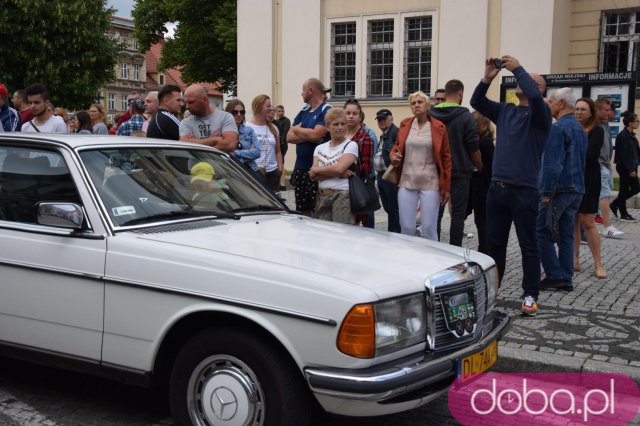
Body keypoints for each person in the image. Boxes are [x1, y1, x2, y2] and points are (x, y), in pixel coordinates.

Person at [470, 55, 552, 317]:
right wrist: (487, 78)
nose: (518, 82)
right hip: (497, 189)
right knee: (495, 246)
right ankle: (492, 292)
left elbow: (536, 98)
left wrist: (517, 68)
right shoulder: (506, 111)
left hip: (525, 191)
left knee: (529, 245)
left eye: (528, 81)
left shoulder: (540, 114)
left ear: (536, 87)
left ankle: (530, 295)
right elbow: (476, 102)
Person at [536, 89, 587, 294]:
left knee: (542, 230)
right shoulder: (580, 128)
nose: (551, 105)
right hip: (576, 188)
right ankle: (566, 278)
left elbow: (552, 164)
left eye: (553, 101)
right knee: (566, 234)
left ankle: (555, 275)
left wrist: (546, 192)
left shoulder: (558, 129)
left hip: (560, 190)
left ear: (562, 103)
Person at [389, 91, 451, 240]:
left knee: (429, 227)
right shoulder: (405, 124)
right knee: (407, 227)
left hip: (430, 182)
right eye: (413, 103)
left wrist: (447, 188)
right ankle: (408, 259)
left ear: (428, 105)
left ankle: (432, 261)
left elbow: (446, 157)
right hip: (406, 181)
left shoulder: (439, 127)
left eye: (420, 102)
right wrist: (393, 156)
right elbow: (396, 147)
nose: (416, 105)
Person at [429, 79, 482, 246]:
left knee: (435, 213)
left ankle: (434, 246)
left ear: (445, 94)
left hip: (435, 171)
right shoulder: (466, 116)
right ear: (460, 94)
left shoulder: (430, 115)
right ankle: (455, 249)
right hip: (460, 171)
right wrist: (480, 166)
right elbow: (473, 147)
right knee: (458, 214)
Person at [572, 98, 607, 279]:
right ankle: (574, 259)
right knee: (573, 221)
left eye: (583, 110)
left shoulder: (597, 131)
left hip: (588, 179)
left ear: (591, 112)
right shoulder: (571, 128)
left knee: (588, 222)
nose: (579, 112)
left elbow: (589, 155)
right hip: (571, 178)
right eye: (577, 109)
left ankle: (598, 263)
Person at [287, 78, 332, 216]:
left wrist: (298, 129)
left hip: (317, 168)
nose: (301, 93)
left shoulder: (326, 110)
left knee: (317, 208)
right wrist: (308, 133)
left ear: (310, 90)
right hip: (300, 168)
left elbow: (316, 136)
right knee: (302, 208)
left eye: (303, 90)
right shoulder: (304, 110)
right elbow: (289, 136)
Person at [310, 108, 358, 224]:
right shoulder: (319, 148)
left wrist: (317, 170)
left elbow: (339, 168)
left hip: (342, 195)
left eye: (343, 124)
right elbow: (312, 176)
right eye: (336, 124)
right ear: (327, 127)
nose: (340, 127)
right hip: (322, 195)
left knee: (341, 234)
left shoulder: (351, 145)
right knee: (324, 234)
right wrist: (337, 173)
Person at [594, 98, 623, 238]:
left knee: (602, 192)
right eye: (606, 109)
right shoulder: (594, 123)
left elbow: (611, 114)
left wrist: (612, 105)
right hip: (598, 164)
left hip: (605, 164)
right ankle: (607, 227)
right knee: (604, 193)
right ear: (597, 110)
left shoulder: (605, 122)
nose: (609, 112)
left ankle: (588, 221)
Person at [344, 99, 374, 226]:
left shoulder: (365, 138)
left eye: (354, 114)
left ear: (360, 116)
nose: (351, 116)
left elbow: (364, 169)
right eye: (348, 113)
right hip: (336, 185)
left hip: (354, 187)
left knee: (352, 225)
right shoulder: (337, 134)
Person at [179, 85, 237, 152]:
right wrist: (216, 140)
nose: (187, 107)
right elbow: (184, 144)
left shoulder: (225, 117)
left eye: (191, 102)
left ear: (205, 99)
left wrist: (194, 142)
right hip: (196, 163)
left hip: (220, 162)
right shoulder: (185, 123)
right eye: (186, 103)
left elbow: (230, 145)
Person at [469, 111, 494, 254]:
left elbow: (486, 169)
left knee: (482, 219)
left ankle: (485, 248)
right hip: (480, 185)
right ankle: (484, 246)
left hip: (483, 186)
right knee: (480, 219)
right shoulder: (484, 140)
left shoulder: (484, 142)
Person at [247, 95, 284, 192]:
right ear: (259, 106)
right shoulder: (247, 127)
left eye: (271, 106)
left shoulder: (273, 128)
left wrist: (279, 170)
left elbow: (278, 152)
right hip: (254, 172)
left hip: (272, 173)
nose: (271, 108)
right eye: (268, 106)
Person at [610, 111, 640, 222]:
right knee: (624, 190)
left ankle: (615, 204)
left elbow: (635, 152)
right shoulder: (623, 136)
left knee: (636, 188)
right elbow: (624, 155)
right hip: (625, 167)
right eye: (637, 121)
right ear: (630, 123)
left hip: (631, 166)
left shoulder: (631, 136)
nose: (638, 123)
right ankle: (623, 213)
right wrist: (630, 169)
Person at [374, 108, 400, 233]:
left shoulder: (395, 133)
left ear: (391, 119)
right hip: (381, 176)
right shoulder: (384, 135)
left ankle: (395, 234)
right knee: (389, 208)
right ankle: (392, 232)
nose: (381, 122)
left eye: (384, 119)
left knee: (394, 208)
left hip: (390, 176)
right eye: (379, 119)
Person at [225, 99, 262, 179]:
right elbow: (225, 154)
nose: (239, 115)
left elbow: (257, 152)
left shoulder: (249, 130)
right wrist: (248, 154)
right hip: (230, 173)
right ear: (228, 113)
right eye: (235, 112)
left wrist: (236, 153)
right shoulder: (222, 131)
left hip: (251, 170)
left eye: (242, 112)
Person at [274, 105, 291, 189]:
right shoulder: (276, 121)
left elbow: (285, 133)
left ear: (284, 112)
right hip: (277, 145)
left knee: (281, 163)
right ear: (276, 112)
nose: (280, 113)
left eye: (281, 111)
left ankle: (282, 184)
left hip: (283, 145)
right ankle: (279, 183)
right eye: (279, 111)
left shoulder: (286, 120)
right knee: (278, 164)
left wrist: (281, 143)